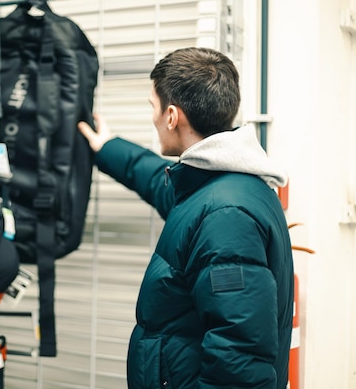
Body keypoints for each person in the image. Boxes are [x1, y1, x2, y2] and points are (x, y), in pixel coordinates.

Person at [78, 47, 294, 389]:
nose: (152, 116)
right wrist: (108, 148)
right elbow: (159, 182)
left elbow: (237, 366)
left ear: (172, 116)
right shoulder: (218, 185)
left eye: (153, 106)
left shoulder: (227, 216)